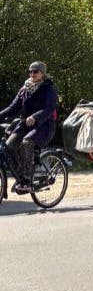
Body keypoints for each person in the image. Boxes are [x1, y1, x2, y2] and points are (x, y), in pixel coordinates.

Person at [1, 61, 59, 194]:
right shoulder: (25, 89)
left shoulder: (49, 89)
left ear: (42, 74)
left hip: (44, 126)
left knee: (27, 142)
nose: (32, 74)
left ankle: (27, 179)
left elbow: (49, 109)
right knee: (9, 146)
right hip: (26, 125)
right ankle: (20, 175)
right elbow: (12, 108)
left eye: (35, 71)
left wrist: (35, 117)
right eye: (30, 71)